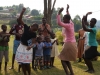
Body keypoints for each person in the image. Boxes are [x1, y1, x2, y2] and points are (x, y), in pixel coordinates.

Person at [15, 8, 38, 75]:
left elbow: (34, 42)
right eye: (33, 29)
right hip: (21, 47)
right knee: (22, 63)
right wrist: (22, 12)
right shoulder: (26, 27)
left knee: (27, 64)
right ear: (31, 26)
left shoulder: (34, 34)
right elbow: (19, 19)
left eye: (35, 30)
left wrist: (30, 46)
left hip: (28, 48)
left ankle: (29, 74)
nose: (33, 31)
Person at [57, 4, 77, 75]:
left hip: (68, 44)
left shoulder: (68, 25)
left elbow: (59, 23)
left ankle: (68, 74)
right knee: (66, 59)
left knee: (62, 59)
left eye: (64, 18)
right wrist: (67, 10)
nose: (63, 19)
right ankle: (71, 73)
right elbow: (68, 16)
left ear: (67, 20)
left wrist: (59, 13)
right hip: (73, 43)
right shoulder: (71, 23)